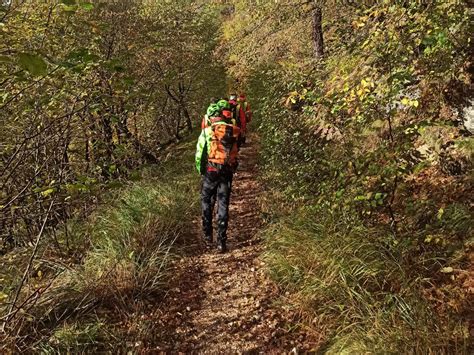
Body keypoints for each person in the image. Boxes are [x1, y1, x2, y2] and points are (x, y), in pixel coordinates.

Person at [195, 105, 241, 253]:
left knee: (206, 200)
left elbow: (199, 154)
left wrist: (201, 171)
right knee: (223, 203)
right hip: (226, 170)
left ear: (210, 118)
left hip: (211, 170)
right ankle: (222, 241)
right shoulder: (231, 130)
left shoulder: (207, 131)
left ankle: (208, 234)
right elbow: (236, 150)